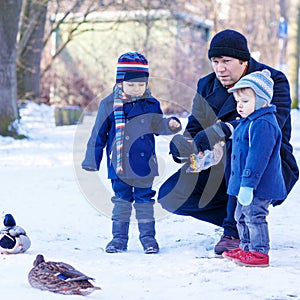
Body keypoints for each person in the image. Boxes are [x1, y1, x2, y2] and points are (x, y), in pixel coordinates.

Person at [158, 29, 299, 255]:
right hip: (219, 166)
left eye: (226, 61)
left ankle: (233, 230)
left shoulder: (271, 80)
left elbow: (270, 124)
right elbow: (194, 128)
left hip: (267, 163)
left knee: (235, 143)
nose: (220, 68)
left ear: (244, 61)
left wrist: (222, 130)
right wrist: (183, 146)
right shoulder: (207, 85)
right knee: (171, 195)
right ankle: (247, 220)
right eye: (215, 61)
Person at [82, 51, 181, 254]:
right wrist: (92, 160)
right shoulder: (109, 104)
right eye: (131, 85)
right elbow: (98, 135)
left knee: (145, 202)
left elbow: (157, 125)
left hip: (144, 165)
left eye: (140, 84)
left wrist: (170, 125)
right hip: (119, 165)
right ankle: (118, 239)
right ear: (120, 82)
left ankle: (148, 239)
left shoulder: (151, 103)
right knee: (122, 202)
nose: (136, 89)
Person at [221, 69, 286, 267]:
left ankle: (259, 252)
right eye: (238, 102)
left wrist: (248, 184)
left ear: (262, 102)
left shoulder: (263, 124)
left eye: (245, 102)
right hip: (244, 184)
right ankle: (247, 247)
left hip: (258, 185)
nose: (239, 106)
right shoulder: (249, 121)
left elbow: (257, 158)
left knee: (254, 216)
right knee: (240, 215)